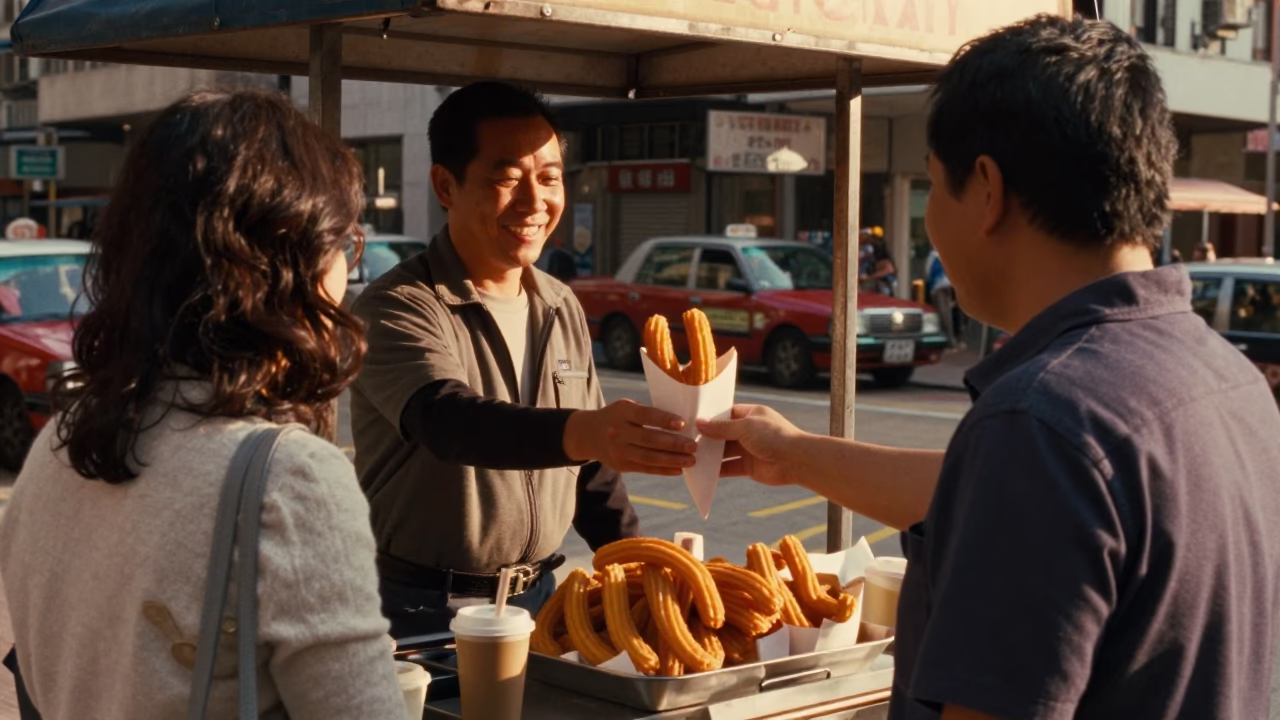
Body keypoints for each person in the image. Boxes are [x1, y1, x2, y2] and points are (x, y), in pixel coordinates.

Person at [701, 15, 1280, 720]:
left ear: (985, 188)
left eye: (932, 188)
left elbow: (1033, 483)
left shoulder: (1043, 421)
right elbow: (1000, 500)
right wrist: (791, 453)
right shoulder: (1230, 380)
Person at [0, 90, 405, 718]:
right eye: (342, 243)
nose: (343, 274)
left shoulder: (59, 443)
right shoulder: (290, 479)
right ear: (290, 264)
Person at [350, 82, 697, 637]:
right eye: (507, 178)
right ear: (446, 185)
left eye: (551, 177)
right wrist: (588, 431)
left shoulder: (559, 304)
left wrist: (642, 573)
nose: (535, 202)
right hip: (420, 608)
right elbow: (447, 420)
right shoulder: (398, 305)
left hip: (540, 601)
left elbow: (592, 473)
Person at [924, 247, 962, 348]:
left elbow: (928, 273)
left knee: (945, 314)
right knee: (947, 314)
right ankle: (950, 339)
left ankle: (949, 339)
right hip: (946, 286)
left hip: (940, 287)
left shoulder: (934, 256)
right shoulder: (944, 254)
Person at [859, 227, 897, 295]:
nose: (870, 240)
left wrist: (869, 278)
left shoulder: (883, 256)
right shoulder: (871, 253)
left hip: (884, 286)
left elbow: (889, 269)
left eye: (872, 237)